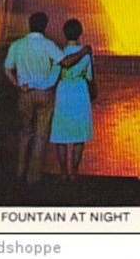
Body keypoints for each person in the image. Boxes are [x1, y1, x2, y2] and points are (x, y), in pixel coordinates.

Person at [4, 12, 91, 184]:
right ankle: (34, 176)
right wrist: (84, 51)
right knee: (41, 135)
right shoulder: (48, 45)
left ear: (29, 25)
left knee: (24, 133)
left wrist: (17, 84)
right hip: (44, 95)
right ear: (44, 27)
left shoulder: (17, 45)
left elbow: (7, 69)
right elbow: (65, 63)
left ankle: (20, 172)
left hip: (25, 93)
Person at [50, 18, 94, 181]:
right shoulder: (86, 54)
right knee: (78, 136)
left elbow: (53, 77)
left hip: (63, 92)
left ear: (64, 33)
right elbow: (89, 76)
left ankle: (62, 172)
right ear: (80, 33)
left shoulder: (59, 54)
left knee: (60, 136)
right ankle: (74, 172)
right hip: (80, 92)